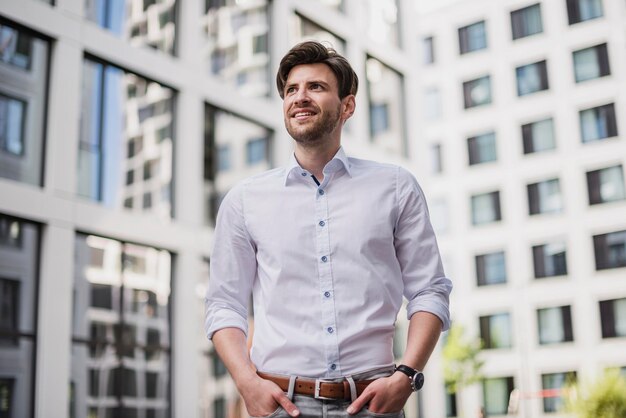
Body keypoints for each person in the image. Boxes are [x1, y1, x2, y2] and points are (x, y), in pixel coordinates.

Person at [205, 41, 452, 418]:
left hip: (374, 402)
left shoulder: (396, 187)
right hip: (281, 405)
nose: (300, 97)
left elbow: (429, 290)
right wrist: (245, 382)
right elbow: (225, 304)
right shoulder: (245, 200)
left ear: (347, 106)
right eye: (291, 90)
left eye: (315, 87)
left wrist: (407, 375)